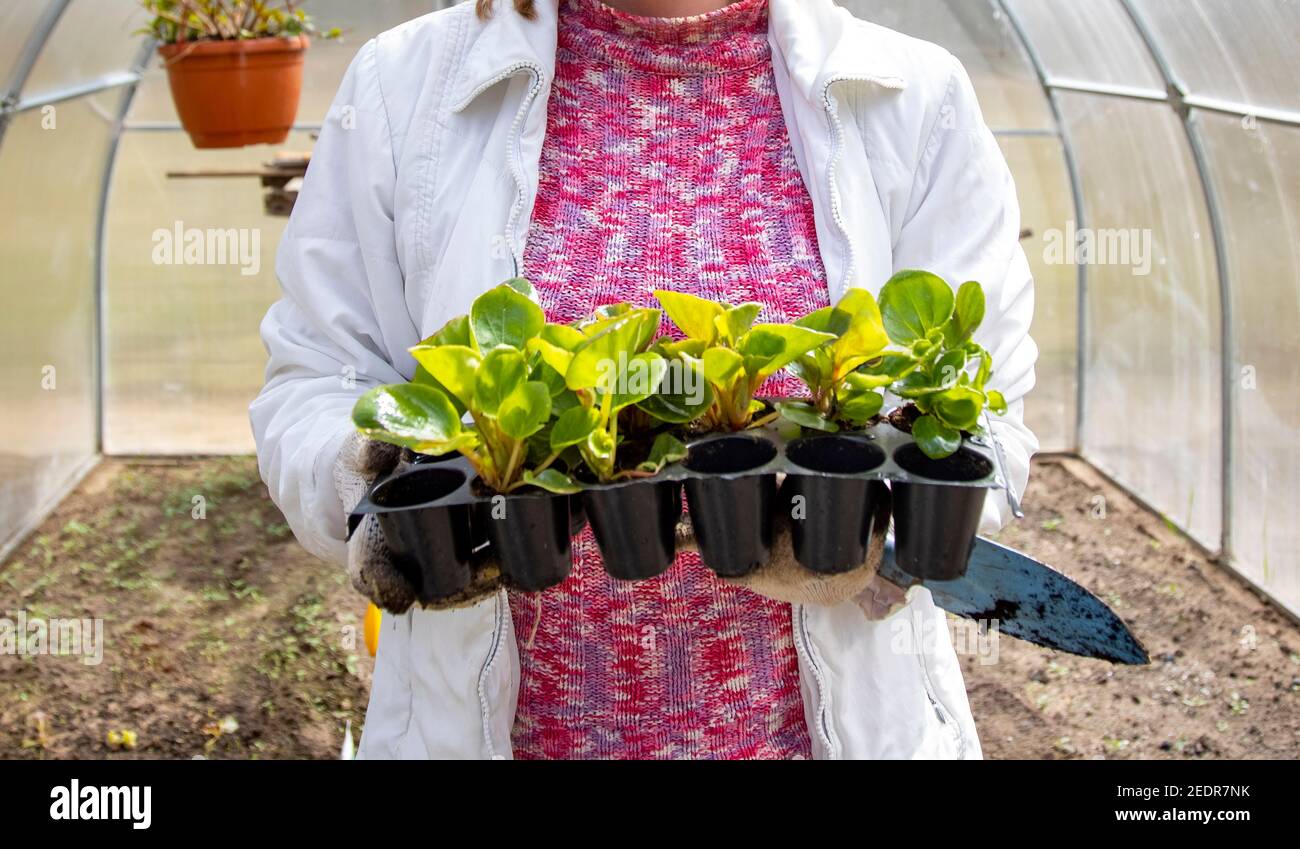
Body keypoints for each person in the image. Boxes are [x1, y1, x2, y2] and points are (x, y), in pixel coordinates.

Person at [251, 0, 1039, 760]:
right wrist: (372, 484)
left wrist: (879, 536)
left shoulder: (915, 97)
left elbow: (986, 418)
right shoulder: (402, 86)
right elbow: (318, 375)